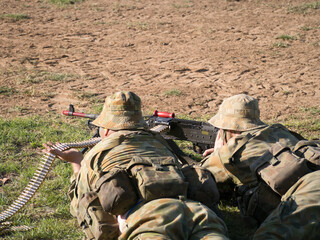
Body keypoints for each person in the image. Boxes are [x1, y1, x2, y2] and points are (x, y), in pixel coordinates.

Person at [44, 91, 229, 240]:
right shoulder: (160, 142)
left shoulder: (95, 155)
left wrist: (77, 162)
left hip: (149, 222)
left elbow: (80, 204)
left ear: (106, 130)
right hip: (198, 214)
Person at [201, 94, 320, 239]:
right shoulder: (281, 131)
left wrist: (219, 152)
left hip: (300, 212)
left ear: (227, 129)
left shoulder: (230, 151)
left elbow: (201, 181)